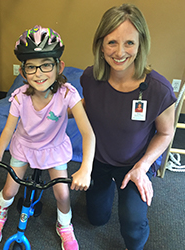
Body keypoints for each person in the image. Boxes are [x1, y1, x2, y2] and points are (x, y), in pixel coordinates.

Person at [0, 25, 95, 250]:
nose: (39, 73)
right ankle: (0, 210)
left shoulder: (68, 94)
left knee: (63, 194)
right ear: (23, 72)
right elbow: (7, 130)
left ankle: (64, 225)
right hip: (24, 147)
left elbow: (87, 133)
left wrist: (85, 169)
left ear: (59, 66)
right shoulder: (19, 97)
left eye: (46, 65)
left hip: (54, 149)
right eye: (31, 68)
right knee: (9, 190)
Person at [79, 4, 176, 250]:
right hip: (99, 162)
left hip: (134, 165)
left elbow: (166, 132)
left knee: (133, 226)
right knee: (96, 219)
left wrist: (143, 167)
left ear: (141, 44)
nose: (119, 52)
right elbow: (83, 109)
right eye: (112, 42)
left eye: (129, 43)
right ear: (100, 44)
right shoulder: (90, 78)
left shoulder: (159, 90)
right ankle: (104, 190)